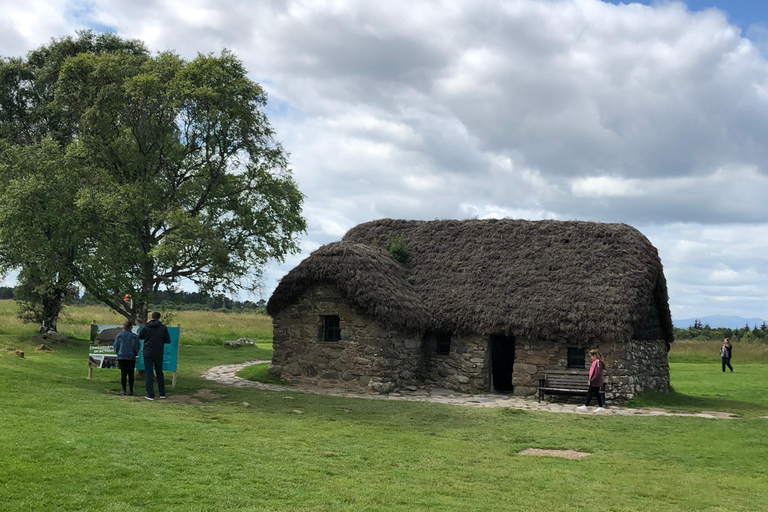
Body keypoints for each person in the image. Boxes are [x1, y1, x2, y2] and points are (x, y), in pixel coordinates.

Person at [139, 311, 172, 400]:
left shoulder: (146, 327)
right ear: (159, 317)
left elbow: (140, 336)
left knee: (149, 372)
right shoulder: (163, 328)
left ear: (151, 317)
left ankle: (150, 394)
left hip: (148, 351)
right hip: (158, 352)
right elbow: (168, 340)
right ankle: (162, 393)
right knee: (159, 372)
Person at [113, 320, 140, 395]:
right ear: (131, 327)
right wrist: (135, 353)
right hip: (131, 357)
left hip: (121, 356)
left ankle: (124, 389)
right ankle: (131, 390)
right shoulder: (134, 336)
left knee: (123, 373)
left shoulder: (119, 335)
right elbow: (137, 347)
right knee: (131, 374)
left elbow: (116, 346)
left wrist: (118, 353)